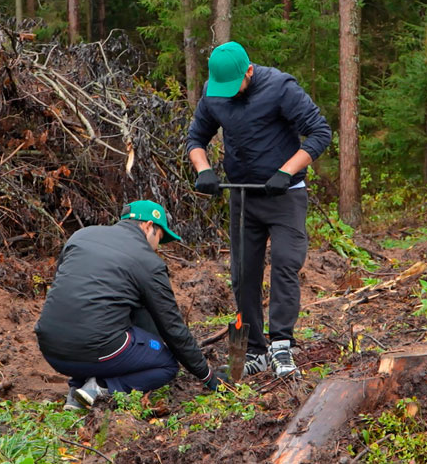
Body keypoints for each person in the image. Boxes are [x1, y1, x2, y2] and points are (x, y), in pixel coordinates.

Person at [186, 41, 331, 379]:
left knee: (285, 264)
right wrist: (203, 169)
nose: (227, 94)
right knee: (242, 274)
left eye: (233, 86)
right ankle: (252, 350)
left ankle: (281, 346)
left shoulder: (281, 88)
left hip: (285, 196)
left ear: (249, 71)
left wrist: (287, 171)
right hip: (243, 197)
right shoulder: (213, 91)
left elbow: (320, 133)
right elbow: (196, 138)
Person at [35, 200, 227, 410]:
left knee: (110, 318)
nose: (157, 248)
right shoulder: (146, 261)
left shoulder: (81, 236)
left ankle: (77, 388)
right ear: (148, 226)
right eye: (160, 238)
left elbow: (64, 289)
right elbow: (172, 327)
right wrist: (207, 376)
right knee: (167, 364)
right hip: (97, 351)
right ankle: (99, 388)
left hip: (51, 349)